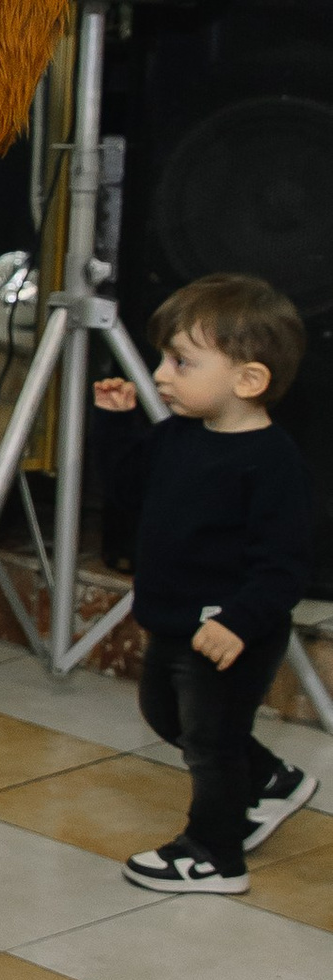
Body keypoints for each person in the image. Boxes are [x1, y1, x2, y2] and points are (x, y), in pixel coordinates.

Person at [93, 272, 317, 896]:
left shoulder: (272, 466)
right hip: (175, 621)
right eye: (164, 358)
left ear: (249, 380)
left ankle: (215, 854)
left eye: (182, 361)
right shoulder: (178, 437)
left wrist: (239, 622)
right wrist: (117, 426)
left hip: (230, 629)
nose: (162, 374)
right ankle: (271, 779)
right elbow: (132, 491)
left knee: (211, 745)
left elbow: (284, 566)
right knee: (169, 716)